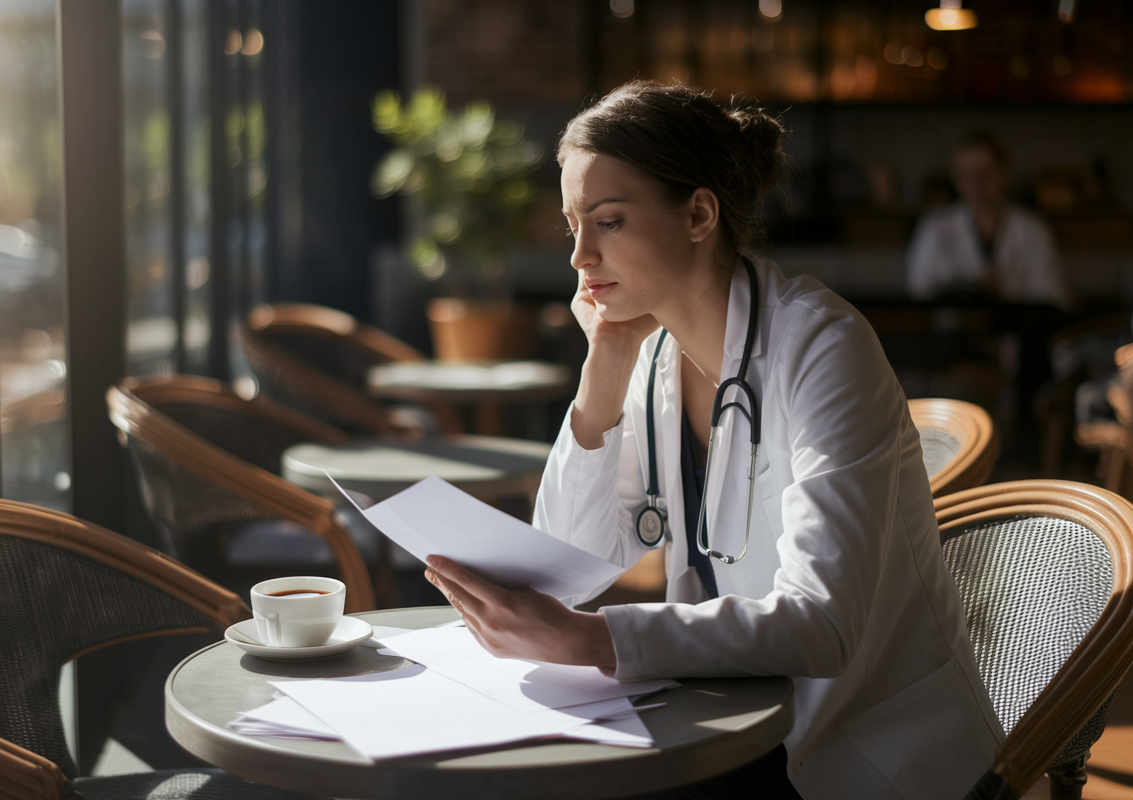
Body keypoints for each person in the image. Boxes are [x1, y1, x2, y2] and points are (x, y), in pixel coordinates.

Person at [425, 81, 1003, 800]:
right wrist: (602, 372)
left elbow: (822, 623)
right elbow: (571, 562)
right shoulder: (657, 357)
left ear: (699, 214)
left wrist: (595, 641)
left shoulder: (823, 347)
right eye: (572, 224)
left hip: (866, 764)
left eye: (607, 221)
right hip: (729, 737)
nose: (579, 256)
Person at [906, 130, 1068, 307]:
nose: (975, 183)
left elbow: (1052, 299)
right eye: (965, 174)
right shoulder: (935, 226)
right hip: (952, 331)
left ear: (1003, 173)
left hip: (1017, 331)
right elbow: (918, 293)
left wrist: (1004, 291)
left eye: (985, 172)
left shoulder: (1033, 230)